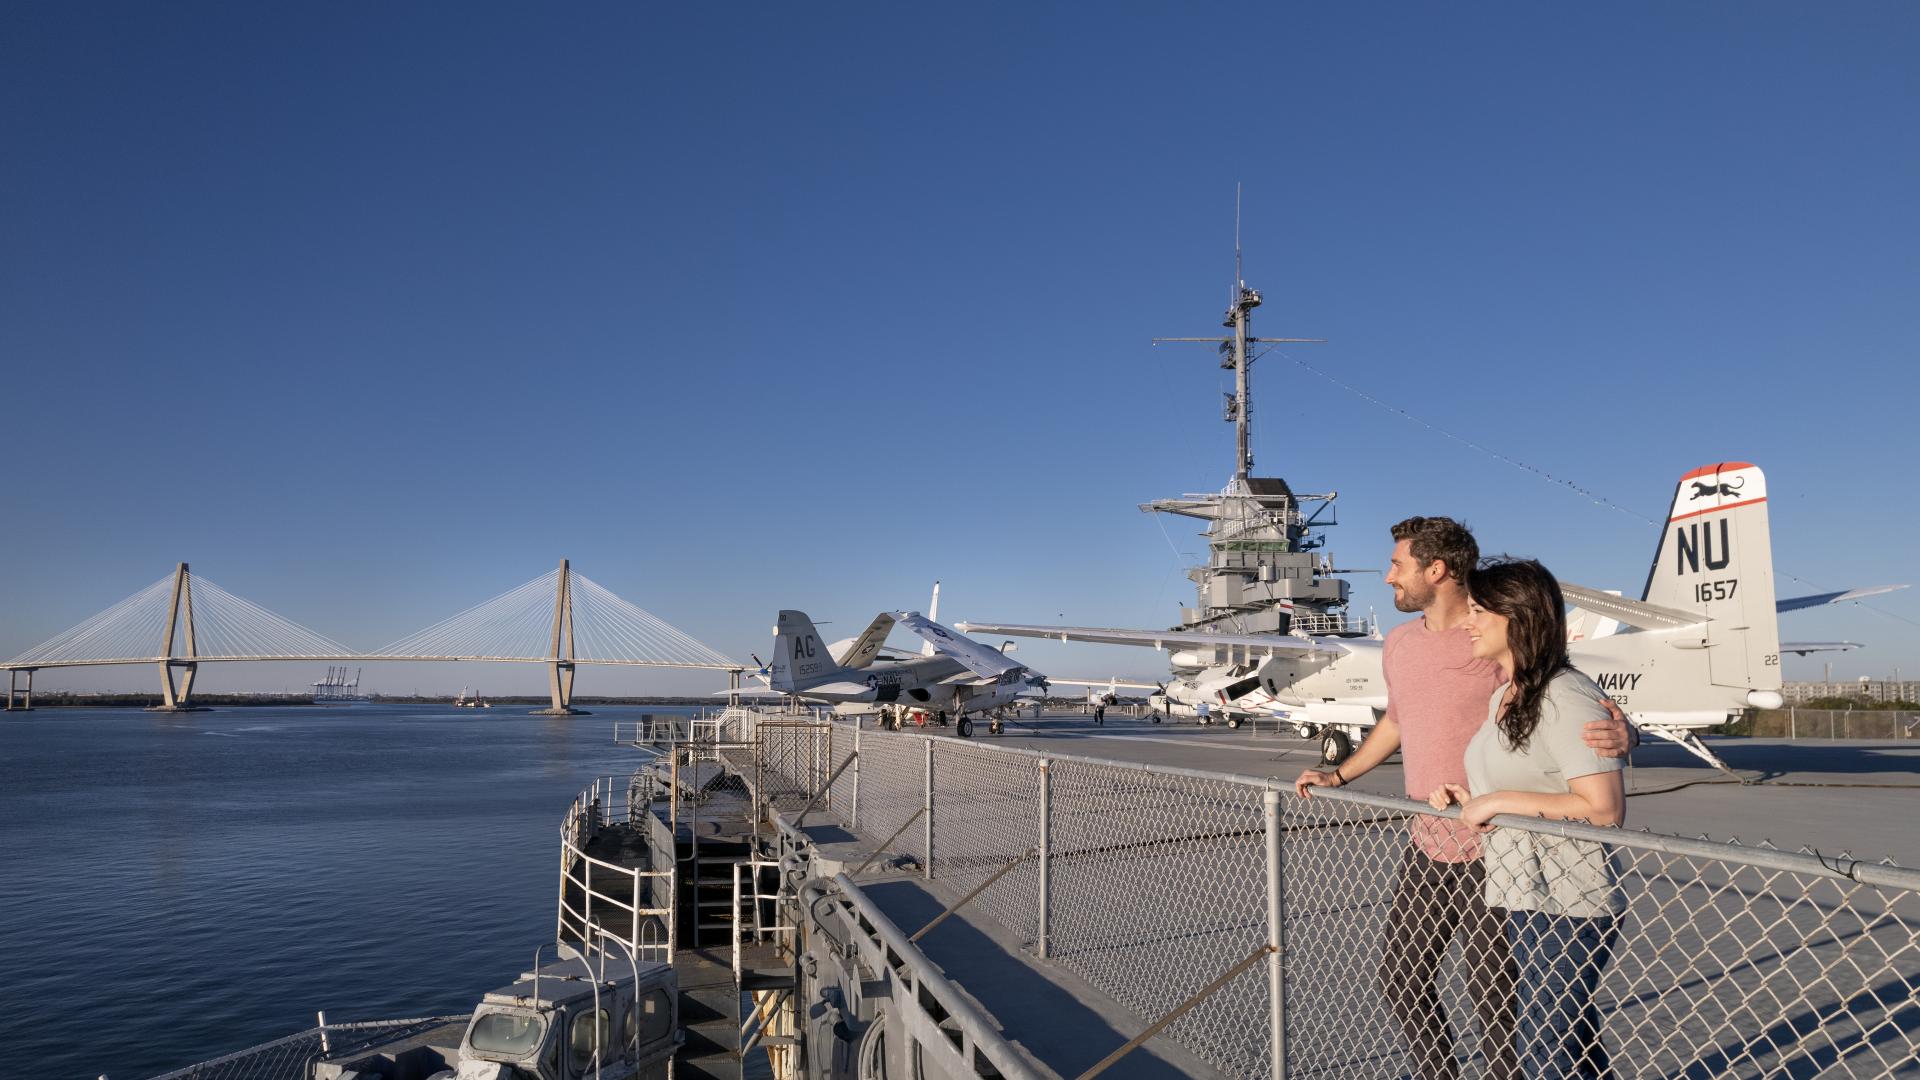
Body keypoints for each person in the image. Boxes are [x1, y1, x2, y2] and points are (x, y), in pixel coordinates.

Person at [1294, 517, 1633, 1080]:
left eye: (1398, 565)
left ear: (1438, 569)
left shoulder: (1494, 637)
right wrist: (1341, 773)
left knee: (1500, 1002)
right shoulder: (1401, 644)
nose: (1387, 577)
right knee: (1402, 977)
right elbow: (1398, 720)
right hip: (1429, 838)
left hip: (1497, 850)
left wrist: (1627, 734)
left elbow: (1574, 702)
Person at [1428, 558, 1626, 1080]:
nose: (1466, 622)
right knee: (1570, 1039)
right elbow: (1534, 785)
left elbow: (1603, 808)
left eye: (1477, 611)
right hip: (1521, 891)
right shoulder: (1504, 695)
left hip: (1571, 898)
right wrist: (1470, 796)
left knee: (1545, 1046)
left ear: (1515, 617)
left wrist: (1496, 802)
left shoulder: (1565, 694)